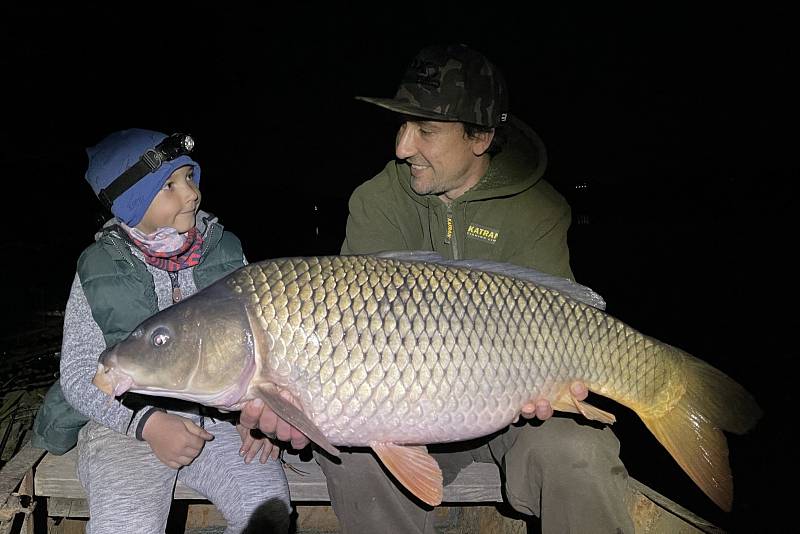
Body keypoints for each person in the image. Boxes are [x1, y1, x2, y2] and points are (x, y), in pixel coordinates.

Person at [240, 44, 633, 533]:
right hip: (405, 399)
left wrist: (550, 383)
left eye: (425, 130)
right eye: (401, 126)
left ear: (481, 137)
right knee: (352, 457)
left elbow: (555, 319)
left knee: (578, 453)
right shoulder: (377, 200)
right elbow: (351, 340)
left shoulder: (537, 210)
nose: (403, 147)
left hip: (512, 410)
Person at [53, 129, 291, 533]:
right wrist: (146, 423)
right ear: (132, 204)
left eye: (189, 178)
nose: (191, 194)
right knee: (126, 525)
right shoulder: (97, 268)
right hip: (124, 426)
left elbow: (270, 346)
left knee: (267, 512)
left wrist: (265, 417)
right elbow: (78, 374)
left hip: (220, 424)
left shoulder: (226, 251)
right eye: (169, 186)